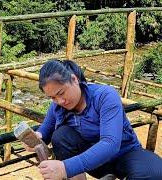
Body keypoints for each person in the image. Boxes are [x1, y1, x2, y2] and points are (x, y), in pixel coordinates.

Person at [28, 59, 162, 180]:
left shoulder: (105, 96)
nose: (59, 101)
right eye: (52, 97)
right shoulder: (58, 105)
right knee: (61, 135)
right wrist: (36, 138)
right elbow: (45, 130)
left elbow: (110, 143)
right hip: (92, 162)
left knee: (154, 171)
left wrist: (66, 167)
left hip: (125, 155)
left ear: (74, 80)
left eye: (61, 93)